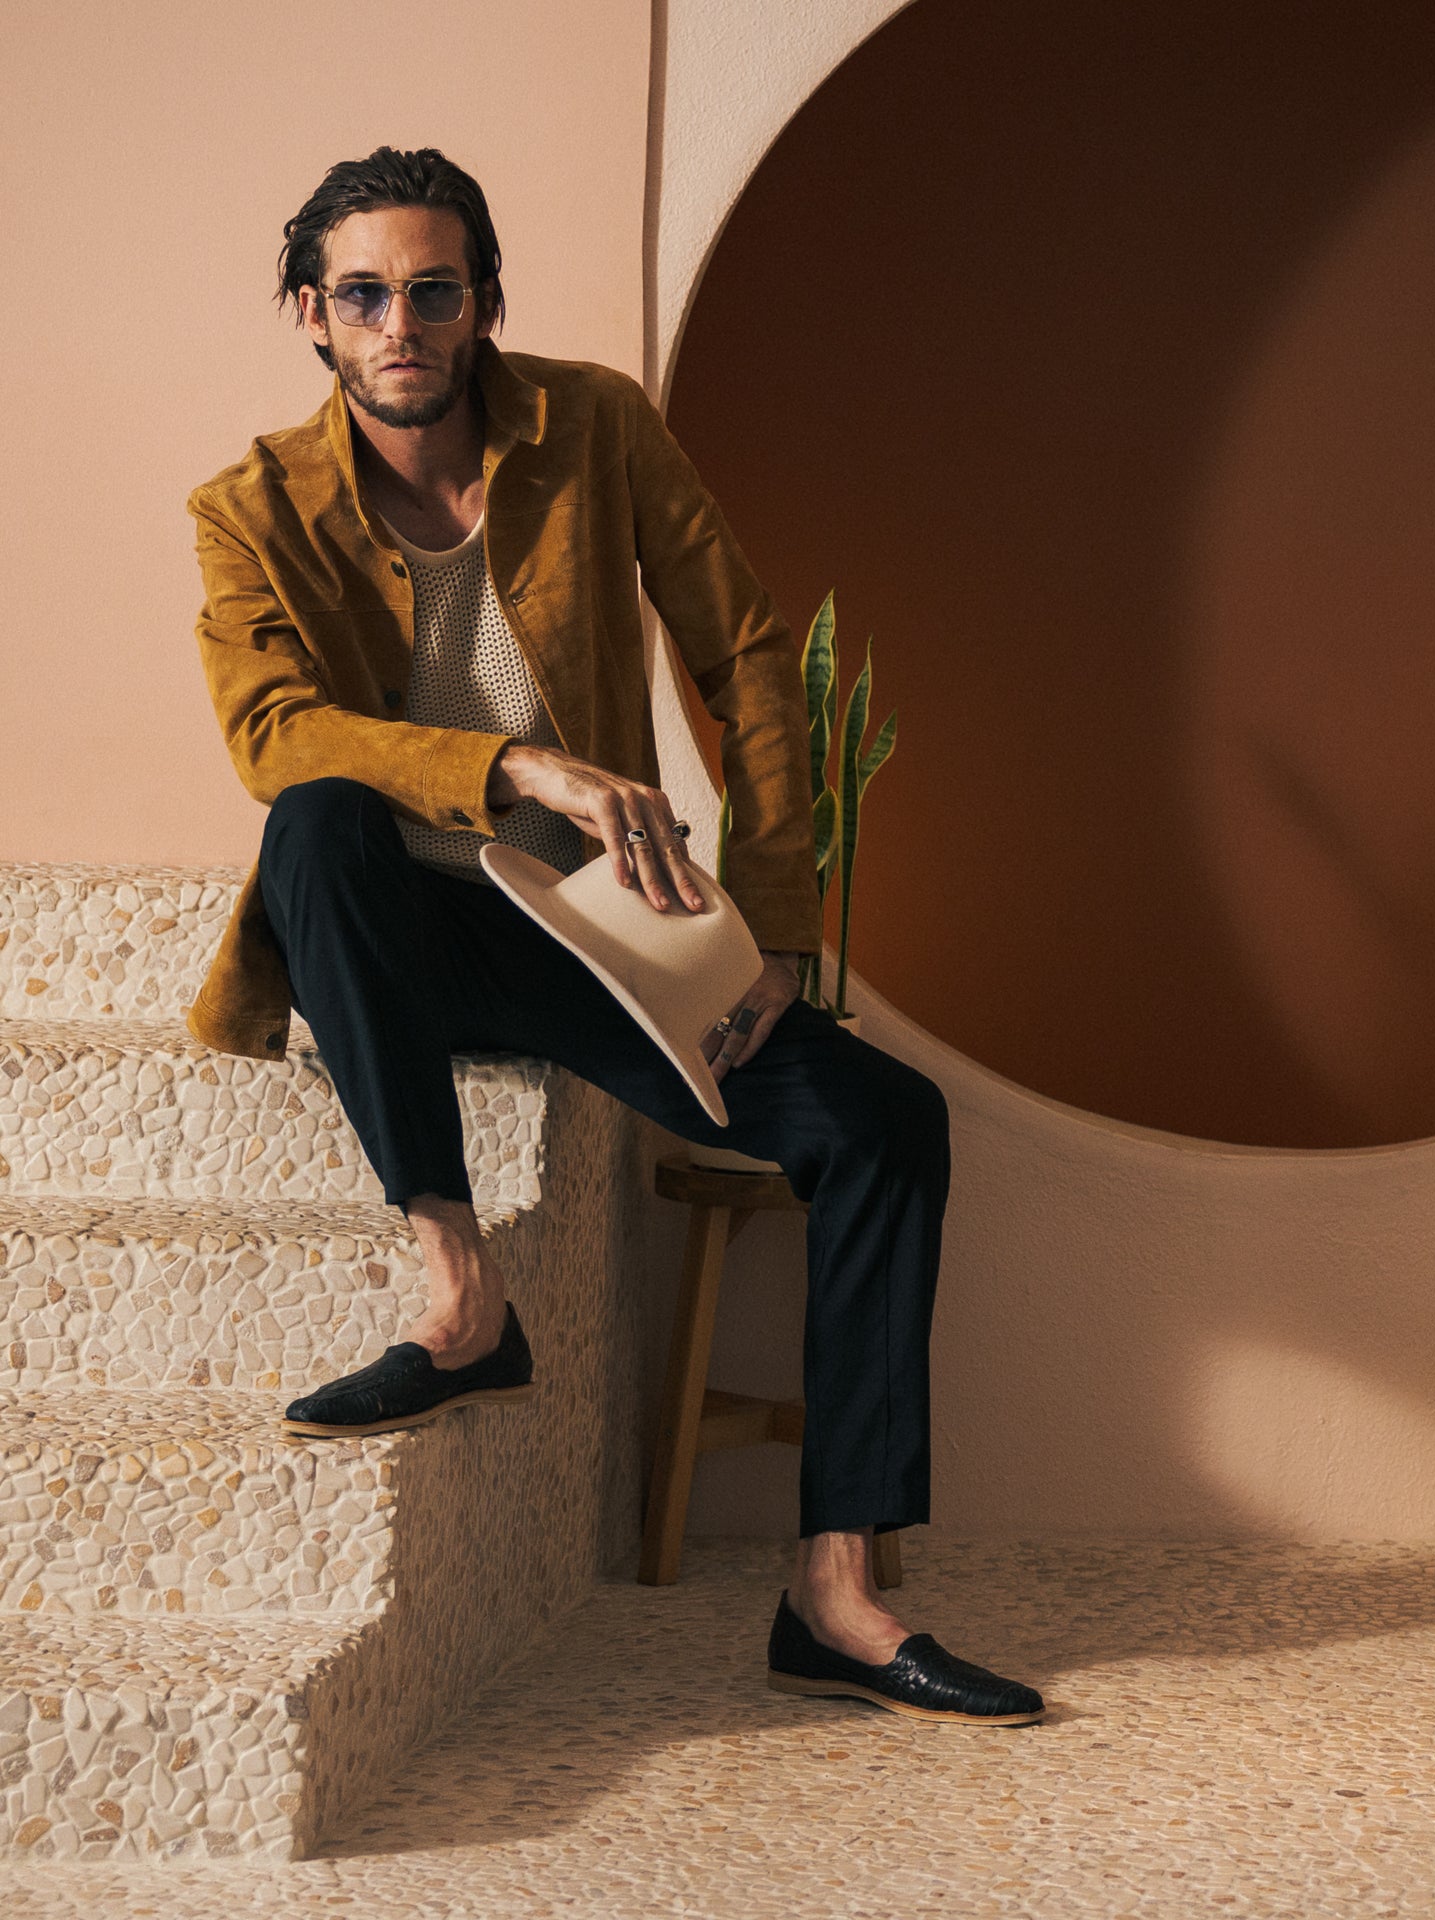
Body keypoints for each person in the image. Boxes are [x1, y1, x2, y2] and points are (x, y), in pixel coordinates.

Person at [187, 145, 1042, 1727]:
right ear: (310, 314)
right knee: (311, 820)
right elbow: (273, 730)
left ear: (483, 303)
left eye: (433, 290)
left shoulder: (595, 428)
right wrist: (511, 764)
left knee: (888, 1124)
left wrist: (772, 923)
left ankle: (834, 1597)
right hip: (394, 937)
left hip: (596, 936)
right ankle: (460, 1294)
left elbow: (752, 652)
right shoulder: (249, 512)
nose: (401, 325)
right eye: (363, 294)